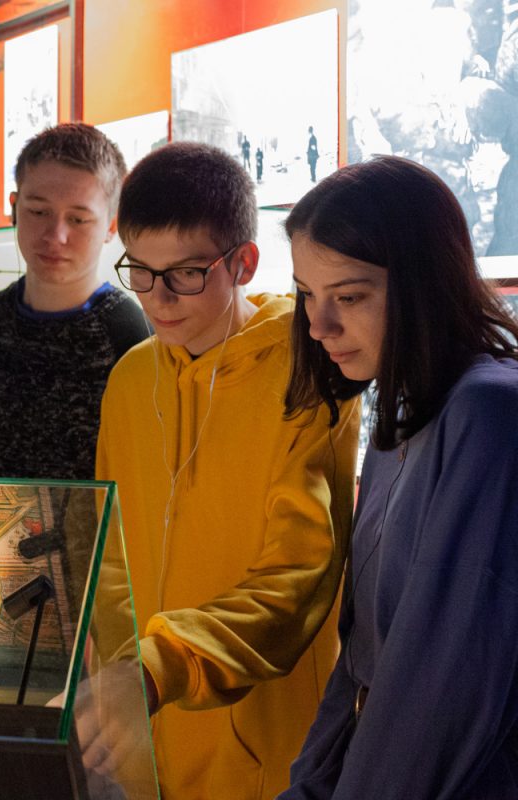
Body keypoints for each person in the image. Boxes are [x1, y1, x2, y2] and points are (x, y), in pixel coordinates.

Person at [87, 142, 359, 799]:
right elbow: (111, 554)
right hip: (147, 739)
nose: (158, 298)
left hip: (270, 754)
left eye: (185, 273)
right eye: (140, 271)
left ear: (244, 262)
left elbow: (299, 577)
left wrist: (159, 667)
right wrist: (122, 680)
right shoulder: (130, 379)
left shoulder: (309, 369)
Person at [280, 157, 518, 798]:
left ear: (426, 283)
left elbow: (443, 686)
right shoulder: (402, 409)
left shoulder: (490, 413)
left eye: (349, 297)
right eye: (306, 294)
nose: (318, 326)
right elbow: (360, 662)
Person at [0, 122, 146, 481]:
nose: (56, 235)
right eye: (38, 211)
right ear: (15, 207)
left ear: (111, 226)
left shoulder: (131, 336)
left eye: (78, 219)